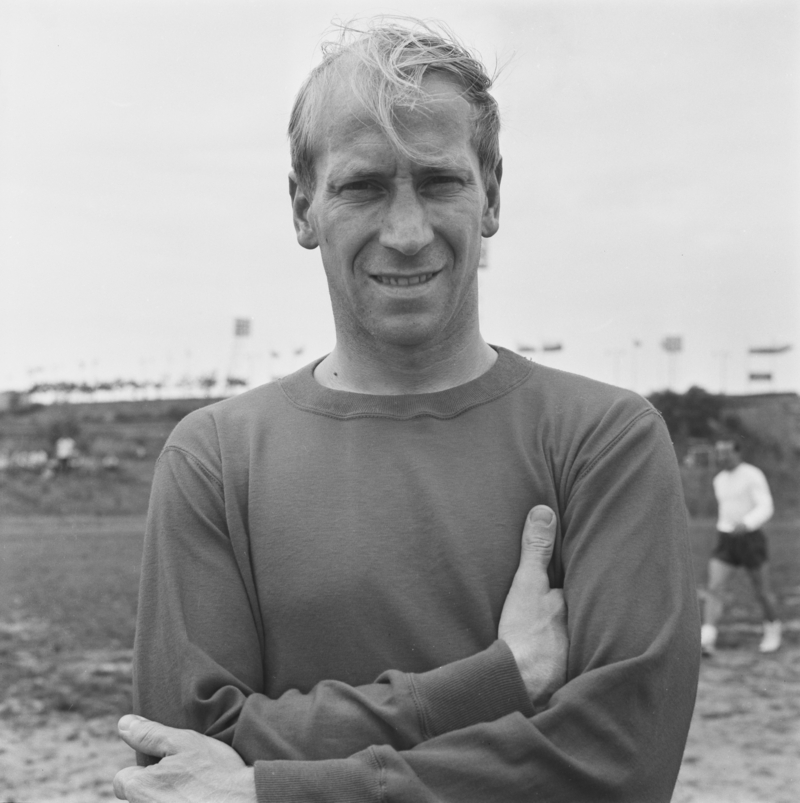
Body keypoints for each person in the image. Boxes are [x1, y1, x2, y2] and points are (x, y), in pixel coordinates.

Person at [113, 18, 700, 803]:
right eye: (362, 186)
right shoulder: (215, 459)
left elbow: (618, 764)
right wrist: (496, 681)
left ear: (491, 194)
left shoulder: (604, 441)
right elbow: (185, 754)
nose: (407, 231)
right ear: (302, 207)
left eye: (438, 181)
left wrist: (276, 787)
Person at [700, 439, 781, 656]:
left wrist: (747, 523)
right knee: (714, 587)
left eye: (726, 452)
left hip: (750, 538)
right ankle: (707, 638)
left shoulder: (752, 475)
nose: (722, 457)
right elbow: (726, 510)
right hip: (726, 540)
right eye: (718, 453)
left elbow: (766, 505)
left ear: (737, 453)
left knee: (762, 590)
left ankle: (772, 630)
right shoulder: (719, 480)